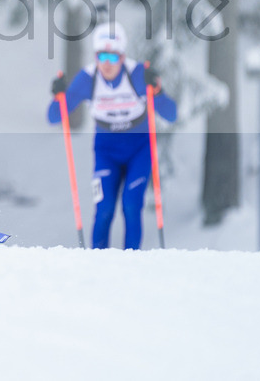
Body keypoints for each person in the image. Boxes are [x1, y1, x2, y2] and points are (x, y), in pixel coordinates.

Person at [47, 21, 177, 249]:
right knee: (104, 207)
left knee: (131, 204)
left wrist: (157, 90)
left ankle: (132, 261)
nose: (107, 64)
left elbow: (171, 114)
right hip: (106, 150)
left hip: (139, 149)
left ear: (123, 56)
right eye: (102, 56)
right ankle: (97, 262)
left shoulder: (137, 74)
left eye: (113, 57)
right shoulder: (87, 79)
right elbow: (54, 117)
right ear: (95, 56)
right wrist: (58, 95)